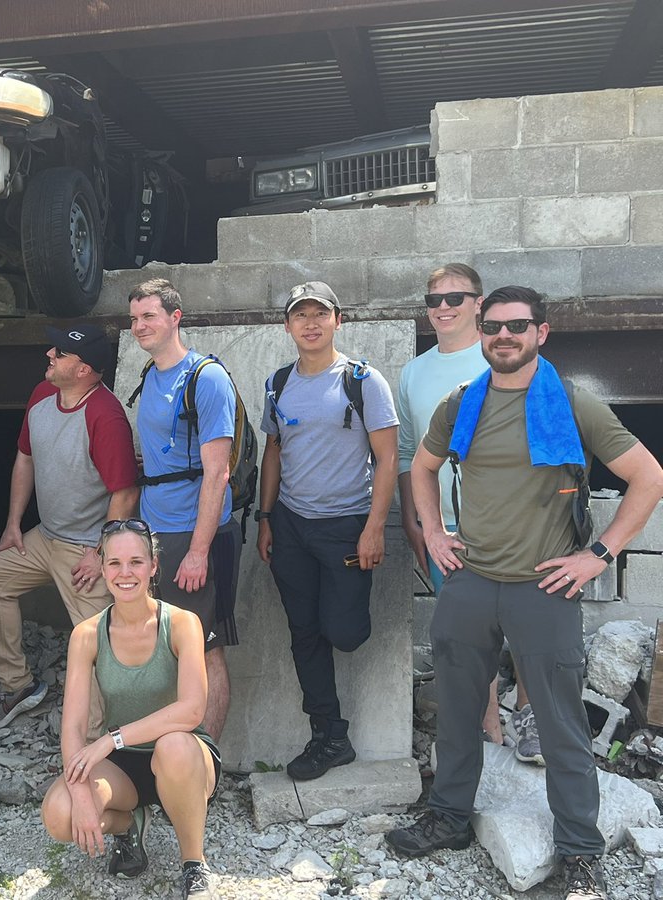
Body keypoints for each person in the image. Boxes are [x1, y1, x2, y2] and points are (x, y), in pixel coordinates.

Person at [385, 286, 663, 900]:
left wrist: (598, 555)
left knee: (561, 724)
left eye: (516, 327)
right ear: (481, 333)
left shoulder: (572, 403)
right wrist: (432, 530)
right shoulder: (462, 405)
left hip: (545, 587)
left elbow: (649, 476)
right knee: (458, 714)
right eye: (493, 327)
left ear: (542, 332)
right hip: (470, 582)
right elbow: (422, 469)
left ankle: (579, 849)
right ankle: (450, 819)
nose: (502, 337)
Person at [256, 282, 398, 781]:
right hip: (291, 526)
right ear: (288, 326)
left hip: (346, 527)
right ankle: (329, 737)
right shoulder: (277, 383)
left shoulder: (363, 381)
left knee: (345, 632)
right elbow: (273, 452)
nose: (310, 323)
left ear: (339, 320)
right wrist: (266, 517)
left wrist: (375, 528)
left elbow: (386, 459)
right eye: (300, 315)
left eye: (321, 313)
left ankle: (331, 720)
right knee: (304, 633)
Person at [396, 265, 538, 758]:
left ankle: (528, 716)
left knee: (525, 628)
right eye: (434, 299)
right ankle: (488, 730)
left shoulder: (503, 359)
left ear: (479, 304)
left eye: (455, 297)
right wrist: (415, 522)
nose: (443, 307)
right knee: (468, 637)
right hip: (447, 532)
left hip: (514, 526)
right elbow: (408, 455)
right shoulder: (414, 372)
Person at [40, 518, 220, 900]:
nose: (125, 573)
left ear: (154, 567)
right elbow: (72, 728)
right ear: (102, 568)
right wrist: (84, 799)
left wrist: (110, 739)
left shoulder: (183, 623)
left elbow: (191, 710)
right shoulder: (87, 634)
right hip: (124, 764)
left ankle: (194, 863)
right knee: (59, 814)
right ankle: (129, 826)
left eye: (136, 562)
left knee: (173, 744)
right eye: (115, 563)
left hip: (184, 756)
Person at [0, 324, 138, 732]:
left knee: (94, 640)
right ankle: (17, 686)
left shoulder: (106, 415)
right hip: (44, 537)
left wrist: (102, 553)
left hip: (84, 548)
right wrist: (13, 525)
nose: (49, 354)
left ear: (84, 370)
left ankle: (98, 742)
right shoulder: (42, 394)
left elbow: (126, 494)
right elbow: (25, 459)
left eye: (61, 353)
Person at [127, 278, 241, 741]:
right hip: (157, 530)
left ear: (176, 318)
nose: (139, 326)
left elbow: (218, 473)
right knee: (170, 646)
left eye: (148, 316)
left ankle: (206, 760)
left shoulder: (206, 378)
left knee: (204, 649)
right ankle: (172, 754)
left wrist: (198, 551)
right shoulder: (150, 374)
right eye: (133, 318)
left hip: (194, 534)